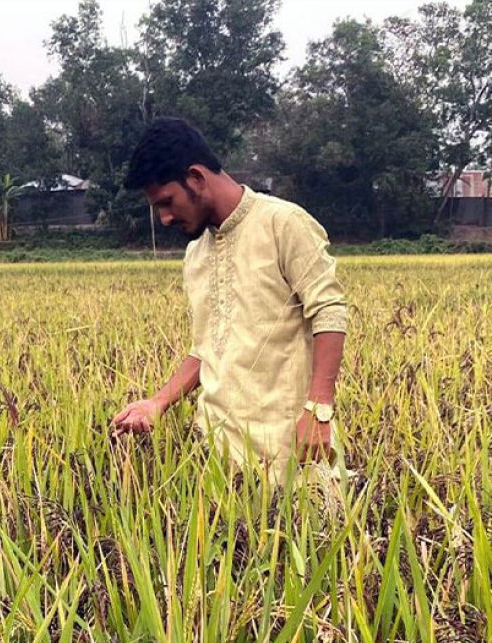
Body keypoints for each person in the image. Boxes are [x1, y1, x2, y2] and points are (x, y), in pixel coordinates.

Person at [111, 118, 349, 484]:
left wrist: (318, 410)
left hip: (290, 453)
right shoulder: (196, 255)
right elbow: (206, 348)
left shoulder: (283, 223)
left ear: (196, 177)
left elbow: (329, 312)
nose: (165, 217)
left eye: (166, 202)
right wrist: (157, 402)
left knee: (312, 539)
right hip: (218, 458)